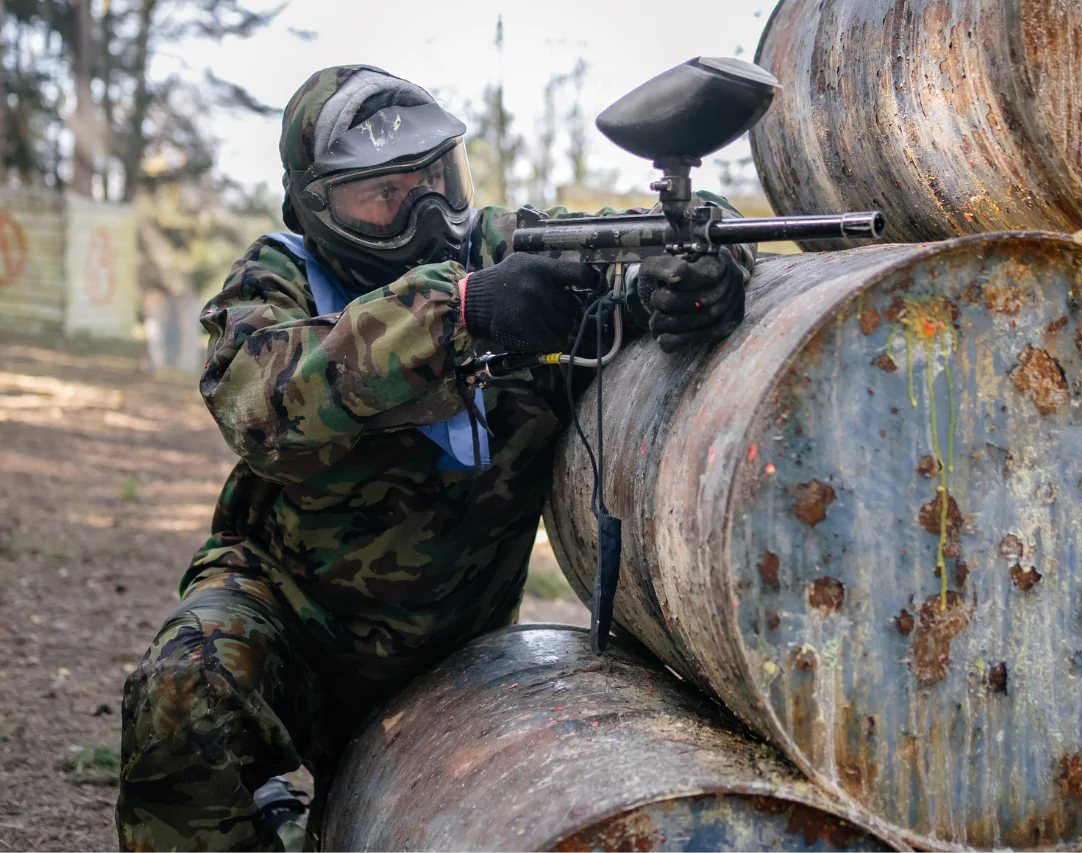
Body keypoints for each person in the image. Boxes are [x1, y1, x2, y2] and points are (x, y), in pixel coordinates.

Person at [115, 64, 752, 851]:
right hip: (290, 620)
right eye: (385, 193)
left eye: (436, 177)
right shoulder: (278, 277)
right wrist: (462, 311)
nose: (423, 209)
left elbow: (668, 233)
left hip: (453, 647)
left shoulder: (511, 246)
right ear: (314, 206)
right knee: (182, 692)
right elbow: (258, 399)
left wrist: (694, 276)